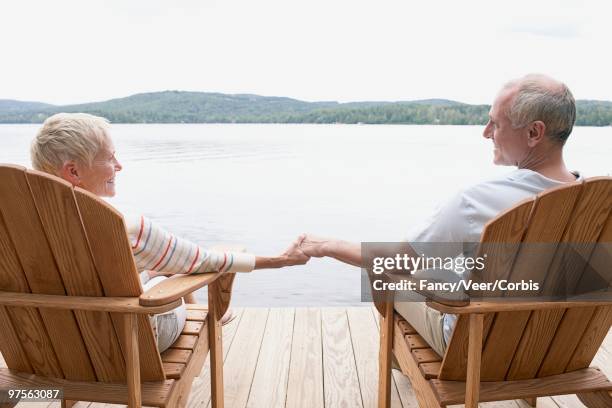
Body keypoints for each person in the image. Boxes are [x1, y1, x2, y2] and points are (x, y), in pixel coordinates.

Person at [298, 74, 581, 356]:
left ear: (534, 133)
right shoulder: (595, 200)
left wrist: (326, 246)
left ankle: (399, 360)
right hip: (557, 347)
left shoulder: (476, 201)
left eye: (495, 123)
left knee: (384, 272)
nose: (486, 132)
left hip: (477, 354)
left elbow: (395, 261)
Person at [30, 112, 310, 352]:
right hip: (127, 347)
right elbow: (204, 262)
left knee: (156, 269)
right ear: (74, 172)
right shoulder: (124, 228)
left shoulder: (18, 228)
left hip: (49, 346)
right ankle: (207, 315)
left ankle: (158, 274)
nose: (119, 166)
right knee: (177, 270)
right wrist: (280, 261)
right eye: (110, 158)